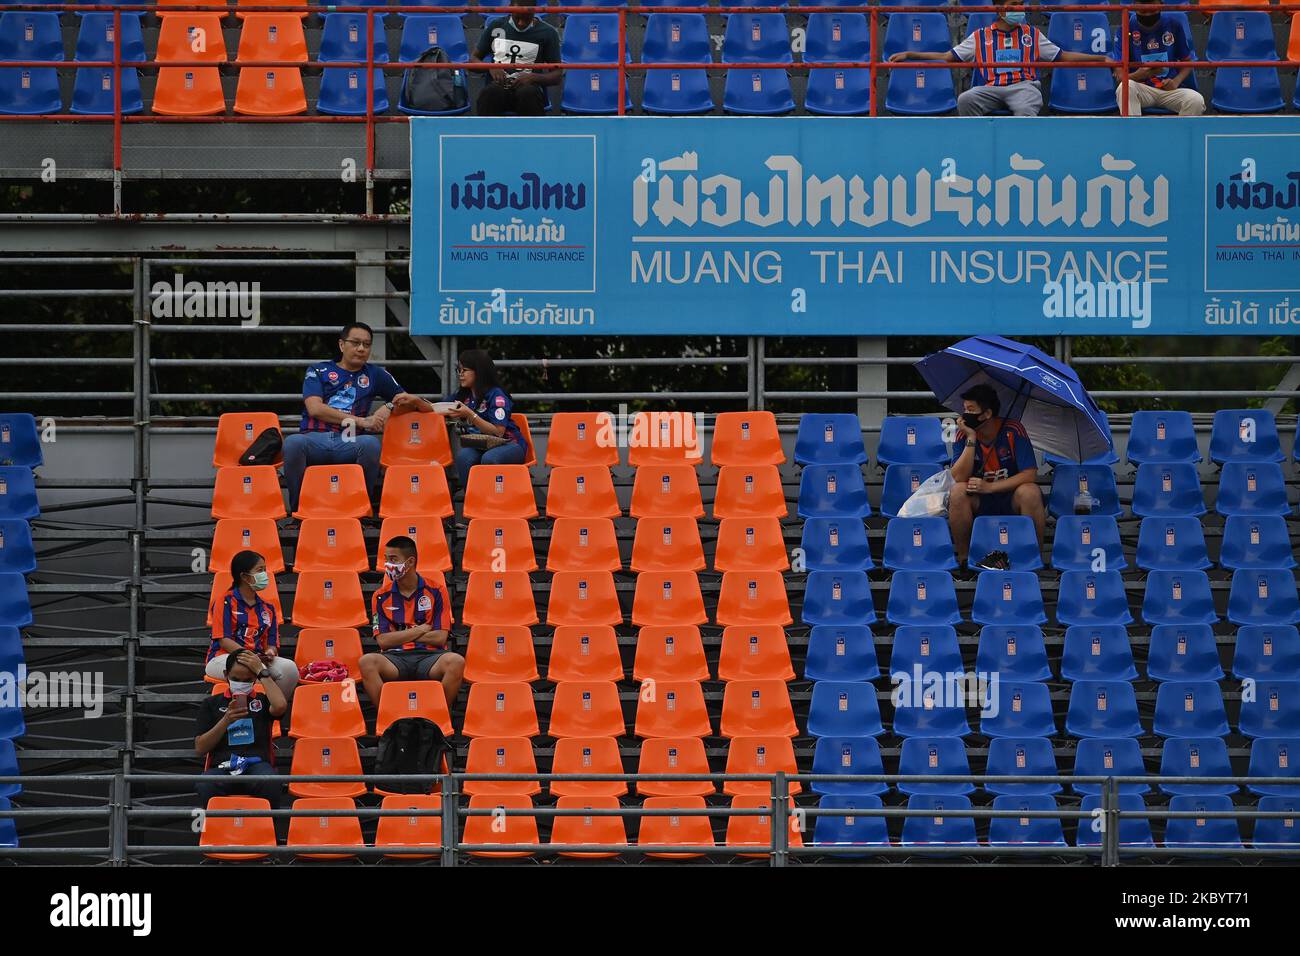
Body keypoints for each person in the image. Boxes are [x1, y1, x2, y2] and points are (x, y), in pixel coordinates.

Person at [281, 322, 412, 518]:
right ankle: (299, 512)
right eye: (356, 343)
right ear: (342, 345)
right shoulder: (318, 370)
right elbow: (315, 408)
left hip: (350, 442)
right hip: (315, 439)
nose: (361, 349)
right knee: (292, 442)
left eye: (367, 345)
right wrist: (361, 421)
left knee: (370, 444)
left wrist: (390, 406)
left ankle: (362, 511)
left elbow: (410, 401)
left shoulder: (375, 374)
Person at [889, 0, 1107, 117]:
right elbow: (948, 57)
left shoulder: (1032, 34)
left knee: (1024, 108)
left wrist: (1099, 59)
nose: (1020, 9)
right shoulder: (980, 36)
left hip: (1024, 87)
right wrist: (911, 54)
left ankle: (1019, 151)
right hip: (992, 88)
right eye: (1014, 5)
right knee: (966, 99)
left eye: (1021, 4)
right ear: (1001, 9)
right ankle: (977, 145)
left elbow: (1062, 55)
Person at [395, 349, 528, 491]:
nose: (460, 374)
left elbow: (498, 432)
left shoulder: (497, 395)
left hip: (509, 445)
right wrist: (415, 400)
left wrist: (470, 415)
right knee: (464, 457)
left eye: (464, 370)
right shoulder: (463, 395)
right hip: (482, 445)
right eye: (459, 370)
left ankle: (491, 500)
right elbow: (434, 408)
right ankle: (472, 499)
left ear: (479, 371)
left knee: (489, 459)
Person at [358, 536, 465, 711]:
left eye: (393, 559)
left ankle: (437, 717)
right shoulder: (380, 595)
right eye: (386, 559)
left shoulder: (437, 591)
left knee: (456, 662)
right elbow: (383, 641)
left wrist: (399, 635)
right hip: (394, 659)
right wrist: (422, 629)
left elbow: (440, 637)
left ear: (410, 562)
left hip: (430, 658)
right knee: (367, 662)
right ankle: (389, 718)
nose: (387, 565)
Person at [947, 384, 1045, 566]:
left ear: (987, 414)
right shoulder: (962, 435)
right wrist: (971, 438)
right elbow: (958, 477)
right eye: (964, 409)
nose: (963, 415)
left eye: (970, 410)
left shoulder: (1014, 430)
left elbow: (1029, 474)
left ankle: (1034, 558)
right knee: (958, 491)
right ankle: (964, 560)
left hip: (1010, 498)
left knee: (1030, 492)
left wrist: (990, 487)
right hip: (979, 500)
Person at [194, 649, 287, 809]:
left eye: (248, 679)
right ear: (226, 674)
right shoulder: (211, 704)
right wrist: (226, 720)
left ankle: (267, 828)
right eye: (236, 679)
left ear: (254, 679)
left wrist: (261, 671)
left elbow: (280, 706)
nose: (241, 683)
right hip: (223, 766)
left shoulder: (263, 701)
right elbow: (200, 747)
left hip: (256, 765)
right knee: (205, 784)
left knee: (271, 782)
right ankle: (217, 830)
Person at [206, 550, 299, 700]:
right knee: (252, 668)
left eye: (265, 569)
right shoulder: (225, 601)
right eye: (260, 570)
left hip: (257, 659)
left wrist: (269, 652)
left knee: (289, 669)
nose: (265, 574)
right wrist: (252, 657)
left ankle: (269, 712)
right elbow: (223, 639)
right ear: (244, 576)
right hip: (223, 658)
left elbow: (272, 643)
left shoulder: (268, 608)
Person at [470, 0, 562, 116]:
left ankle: (533, 133)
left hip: (528, 90)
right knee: (490, 93)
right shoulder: (496, 26)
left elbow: (557, 75)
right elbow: (473, 60)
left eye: (526, 18)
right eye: (517, 17)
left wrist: (533, 77)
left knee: (527, 93)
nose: (521, 23)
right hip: (498, 87)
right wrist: (490, 67)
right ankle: (487, 133)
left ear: (534, 11)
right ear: (510, 8)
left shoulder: (548, 33)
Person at [1115, 8, 1204, 116]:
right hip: (1142, 89)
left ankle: (1180, 133)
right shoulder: (1125, 30)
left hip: (1169, 90)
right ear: (1135, 6)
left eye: (1152, 10)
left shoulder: (1174, 25)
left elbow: (1188, 62)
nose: (1148, 13)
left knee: (1196, 100)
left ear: (1160, 5)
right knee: (1125, 88)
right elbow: (1120, 78)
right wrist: (1139, 75)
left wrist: (1175, 82)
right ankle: (1135, 132)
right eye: (1143, 10)